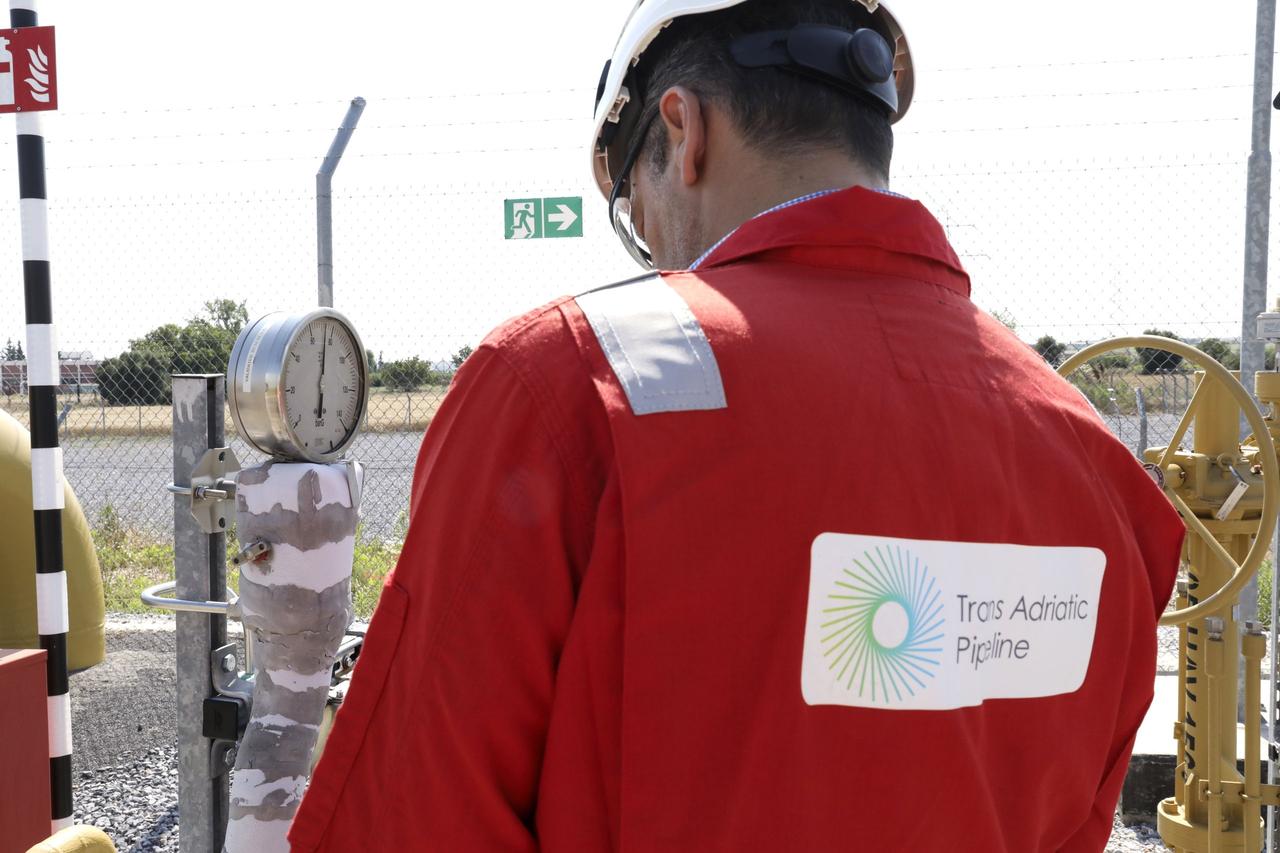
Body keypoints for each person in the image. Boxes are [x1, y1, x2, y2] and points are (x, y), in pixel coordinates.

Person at [290, 1, 1184, 850]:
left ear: (681, 133)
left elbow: (413, 814)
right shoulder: (1095, 461)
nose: (656, 254)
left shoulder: (569, 385)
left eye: (634, 215)